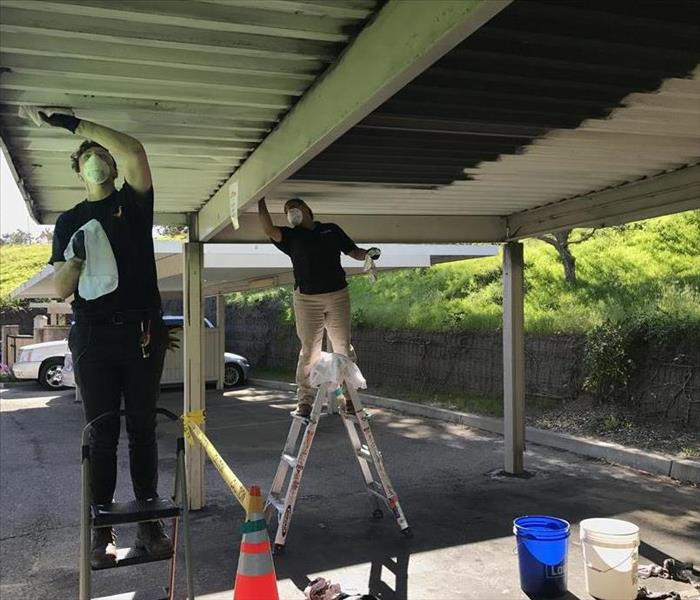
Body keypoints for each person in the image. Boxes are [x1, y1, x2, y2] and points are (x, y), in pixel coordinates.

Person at [44, 111, 172, 568]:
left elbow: (135, 149)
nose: (96, 162)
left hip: (141, 332)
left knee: (143, 431)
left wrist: (73, 124)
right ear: (78, 171)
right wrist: (74, 262)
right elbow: (60, 289)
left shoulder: (134, 206)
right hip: (93, 336)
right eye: (88, 159)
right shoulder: (69, 221)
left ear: (113, 169)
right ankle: (101, 536)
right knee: (102, 434)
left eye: (102, 157)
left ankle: (150, 528)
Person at [258, 197, 380, 417]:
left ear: (307, 209)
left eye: (294, 206)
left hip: (337, 295)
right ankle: (305, 401)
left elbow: (353, 251)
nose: (291, 211)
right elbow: (268, 228)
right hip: (306, 299)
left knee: (343, 348)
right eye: (287, 210)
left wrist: (369, 254)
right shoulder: (290, 235)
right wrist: (260, 199)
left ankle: (349, 399)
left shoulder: (330, 230)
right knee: (309, 351)